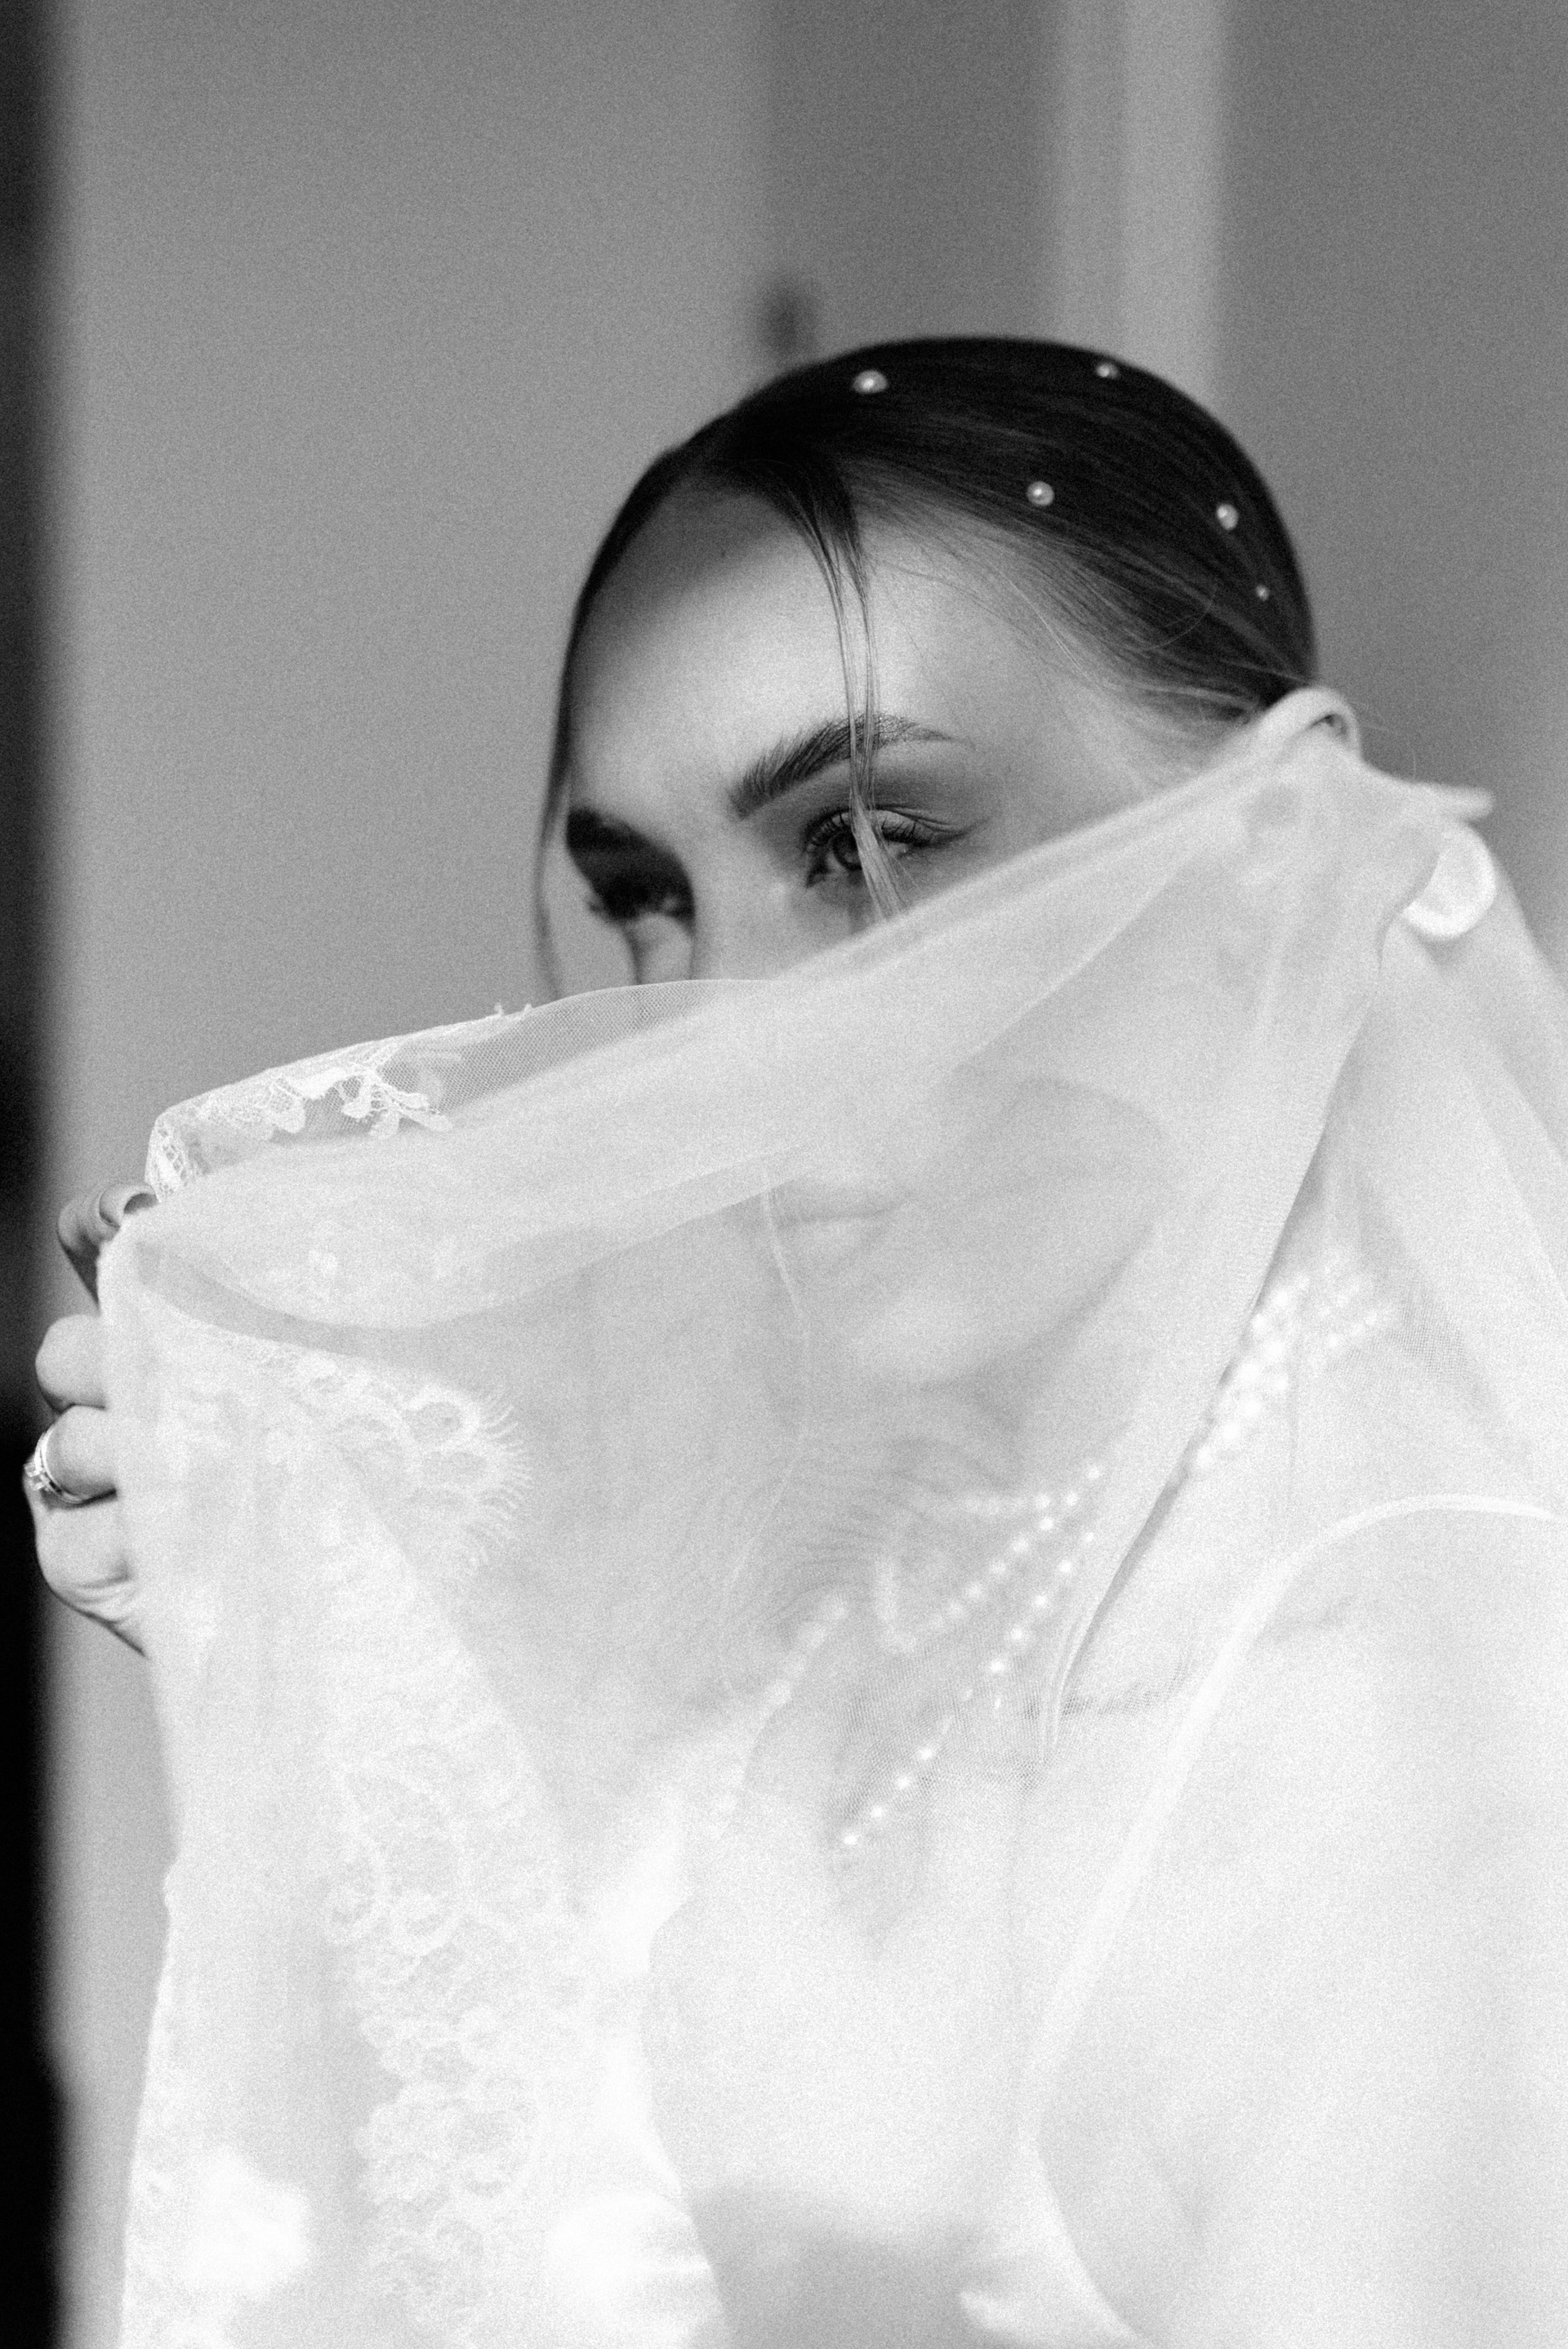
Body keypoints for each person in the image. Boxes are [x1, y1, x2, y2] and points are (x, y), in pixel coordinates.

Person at [27, 340, 1568, 2347]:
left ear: (1263, 856)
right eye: (650, 900)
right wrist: (352, 1666)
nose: (724, 1040)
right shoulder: (898, 1576)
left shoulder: (1414, 1752)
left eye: (865, 844)